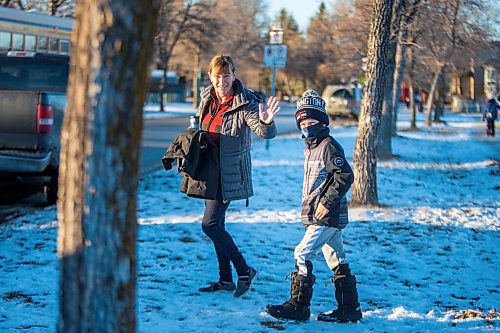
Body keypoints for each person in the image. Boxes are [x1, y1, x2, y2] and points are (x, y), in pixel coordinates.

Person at [265, 90, 362, 322]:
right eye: (303, 122)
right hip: (320, 215)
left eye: (313, 121)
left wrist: (327, 203)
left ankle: (298, 307)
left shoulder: (328, 145)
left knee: (302, 253)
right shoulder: (311, 147)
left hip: (327, 215)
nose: (308, 125)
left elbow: (345, 175)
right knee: (336, 259)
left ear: (323, 122)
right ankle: (349, 309)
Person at [196, 54, 280, 297]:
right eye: (217, 76)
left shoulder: (245, 103)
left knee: (209, 225)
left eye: (226, 75)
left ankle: (244, 270)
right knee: (218, 225)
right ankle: (225, 280)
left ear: (234, 75)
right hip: (207, 171)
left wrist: (266, 122)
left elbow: (263, 130)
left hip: (229, 174)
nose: (222, 81)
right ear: (210, 77)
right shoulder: (207, 98)